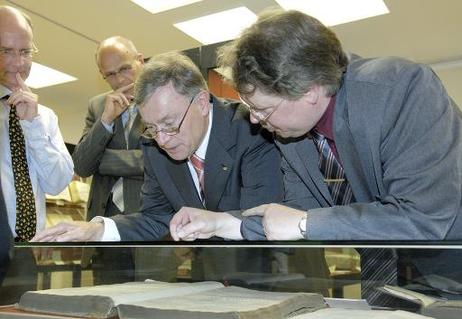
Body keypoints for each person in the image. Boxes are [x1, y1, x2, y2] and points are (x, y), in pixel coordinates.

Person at [173, 9, 462, 307]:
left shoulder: (401, 90)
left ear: (310, 90)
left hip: (452, 271)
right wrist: (221, 224)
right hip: (390, 280)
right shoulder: (291, 132)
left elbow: (421, 217)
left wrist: (304, 224)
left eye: (263, 109)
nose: (256, 121)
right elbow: (296, 212)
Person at [34, 51, 318, 284]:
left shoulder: (250, 129)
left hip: (280, 273)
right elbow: (155, 216)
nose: (162, 140)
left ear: (203, 103)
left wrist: (208, 221)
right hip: (215, 280)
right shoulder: (154, 145)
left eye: (170, 125)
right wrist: (97, 229)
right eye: (151, 128)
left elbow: (258, 217)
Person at [0, 5, 73, 303]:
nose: (18, 63)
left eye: (26, 52)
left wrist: (32, 125)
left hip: (26, 254)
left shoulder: (46, 116)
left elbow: (58, 182)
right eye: (6, 51)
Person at [70, 36, 145, 284]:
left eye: (125, 68)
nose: (120, 80)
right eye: (110, 75)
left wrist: (105, 160)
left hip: (151, 230)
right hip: (104, 229)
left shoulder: (165, 97)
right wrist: (106, 121)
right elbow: (82, 165)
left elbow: (160, 161)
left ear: (140, 61)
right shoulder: (98, 106)